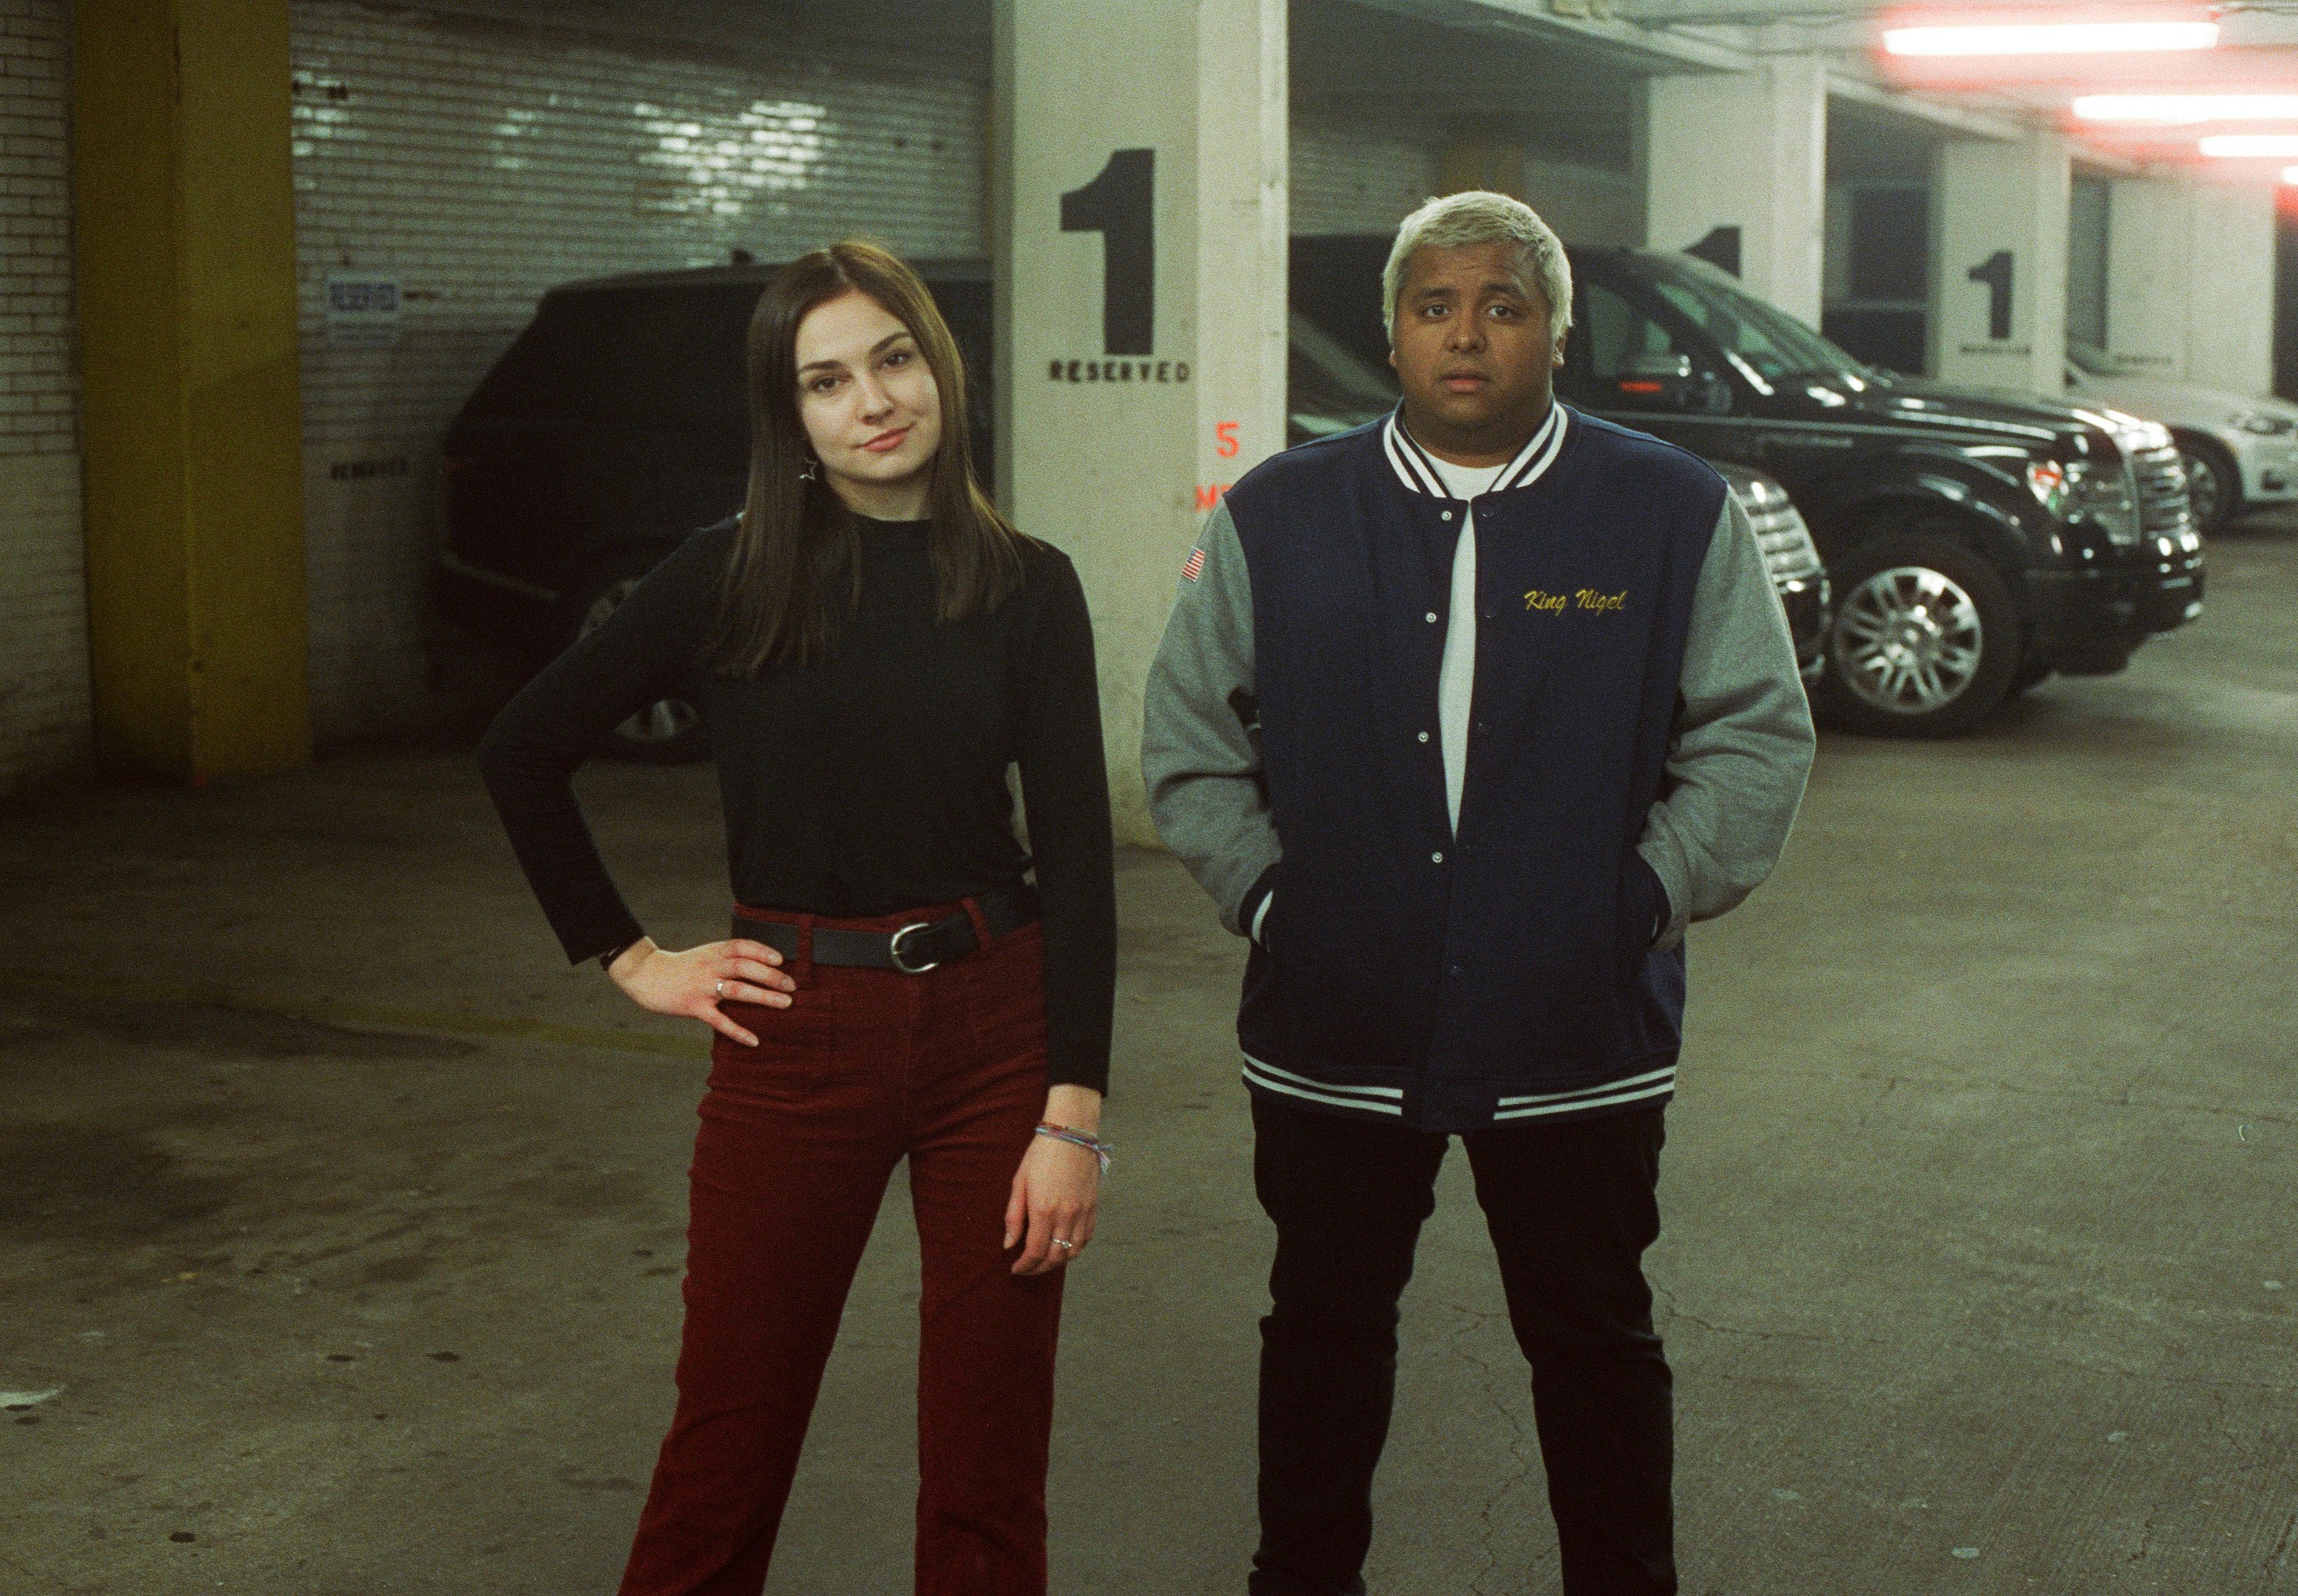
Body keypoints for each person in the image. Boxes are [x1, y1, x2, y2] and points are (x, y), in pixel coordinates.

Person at [1142, 191, 1814, 1596]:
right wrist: (1275, 907)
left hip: (1576, 1031)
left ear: (1555, 335)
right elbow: (1191, 743)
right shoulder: (1279, 513)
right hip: (1333, 1024)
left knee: (1591, 1335)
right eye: (1433, 306)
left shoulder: (1667, 511)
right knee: (1322, 1324)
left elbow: (1754, 737)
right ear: (1390, 334)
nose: (1466, 335)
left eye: (1502, 308)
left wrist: (1637, 903)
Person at [478, 238, 1116, 1596]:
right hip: (794, 1034)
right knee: (729, 1441)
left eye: (892, 359)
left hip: (996, 1031)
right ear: (791, 415)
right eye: (824, 381)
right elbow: (522, 749)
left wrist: (1072, 1115)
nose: (871, 401)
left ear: (938, 365)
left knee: (990, 1463)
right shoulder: (728, 572)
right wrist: (632, 957)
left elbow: (1075, 862)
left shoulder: (1026, 583)